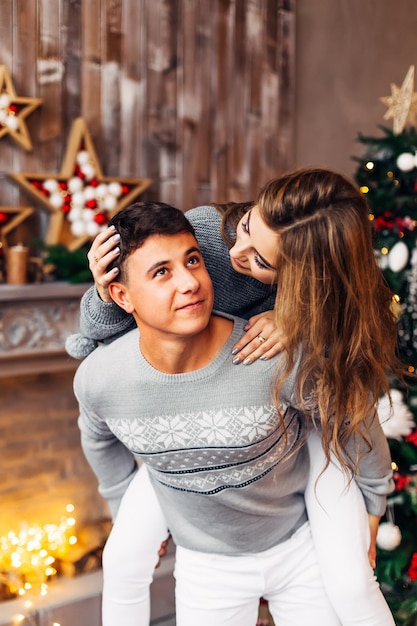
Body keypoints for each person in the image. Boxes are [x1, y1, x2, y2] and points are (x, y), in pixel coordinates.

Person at [71, 168, 407, 625]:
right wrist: (102, 288)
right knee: (123, 558)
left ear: (303, 281)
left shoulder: (295, 339)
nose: (232, 255)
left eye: (261, 262)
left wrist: (295, 320)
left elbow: (347, 406)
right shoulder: (205, 236)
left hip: (281, 424)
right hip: (185, 442)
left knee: (350, 581)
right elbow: (99, 331)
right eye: (248, 226)